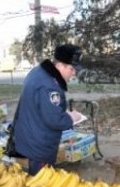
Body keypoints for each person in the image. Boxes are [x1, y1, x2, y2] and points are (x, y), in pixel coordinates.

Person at [14, 44, 83, 175]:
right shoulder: (50, 86)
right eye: (71, 68)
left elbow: (43, 107)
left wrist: (61, 112)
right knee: (41, 183)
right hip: (39, 146)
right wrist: (71, 117)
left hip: (31, 136)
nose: (74, 73)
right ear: (60, 65)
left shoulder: (39, 72)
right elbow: (55, 120)